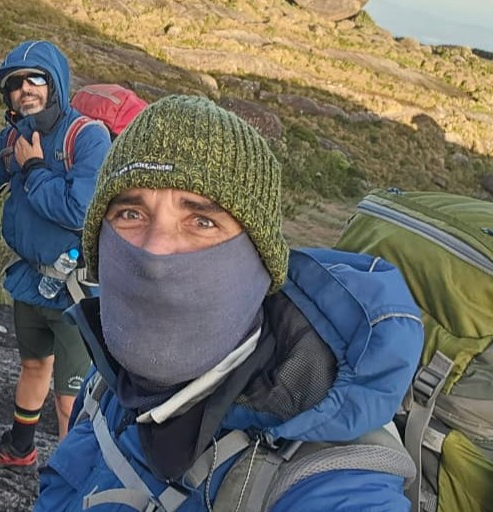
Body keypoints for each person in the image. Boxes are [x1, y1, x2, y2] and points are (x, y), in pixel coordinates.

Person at [34, 95, 426, 511]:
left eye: (202, 221)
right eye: (131, 213)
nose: (157, 250)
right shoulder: (108, 382)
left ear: (259, 259)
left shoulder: (330, 479)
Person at [0, 40, 111, 470]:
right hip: (32, 282)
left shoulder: (88, 136)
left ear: (55, 83)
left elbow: (82, 209)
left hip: (77, 290)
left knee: (70, 393)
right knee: (34, 366)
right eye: (15, 84)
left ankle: (73, 478)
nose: (25, 90)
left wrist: (34, 170)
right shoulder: (13, 137)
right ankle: (20, 447)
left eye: (36, 79)